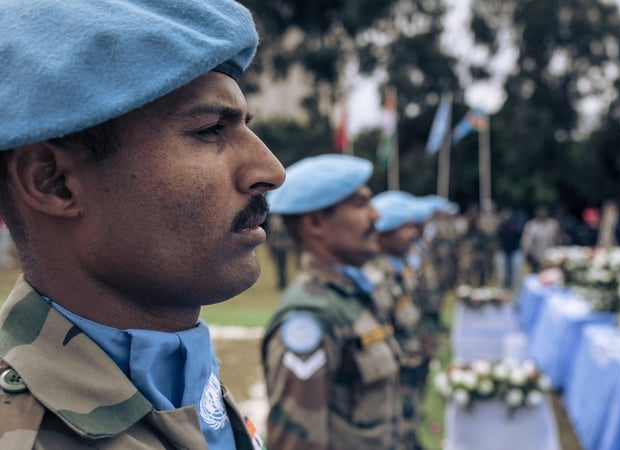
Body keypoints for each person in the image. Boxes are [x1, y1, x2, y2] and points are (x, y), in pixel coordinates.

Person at [0, 1, 285, 448]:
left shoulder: (175, 378)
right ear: (54, 183)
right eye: (211, 128)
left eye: (245, 126)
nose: (271, 170)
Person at [261, 154, 402, 450]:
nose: (377, 217)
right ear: (314, 223)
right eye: (361, 204)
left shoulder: (349, 295)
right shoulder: (310, 318)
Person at [363, 191, 426, 450]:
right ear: (383, 235)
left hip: (408, 372)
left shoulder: (399, 267)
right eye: (404, 228)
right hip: (392, 381)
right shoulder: (375, 277)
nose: (413, 233)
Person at [521, 205, 561, 272]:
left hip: (551, 258)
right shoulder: (531, 225)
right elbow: (526, 242)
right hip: (534, 258)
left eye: (544, 211)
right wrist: (529, 254)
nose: (542, 213)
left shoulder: (553, 224)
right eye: (540, 211)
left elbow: (557, 240)